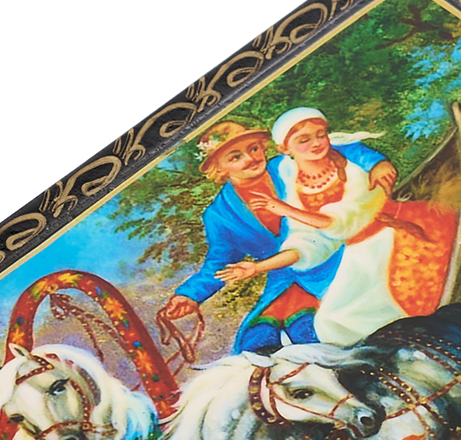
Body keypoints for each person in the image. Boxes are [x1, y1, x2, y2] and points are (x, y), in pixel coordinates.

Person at [213, 107, 457, 346]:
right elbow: (308, 242)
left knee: (393, 304)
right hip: (354, 251)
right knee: (330, 323)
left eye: (320, 135)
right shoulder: (290, 178)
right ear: (284, 149)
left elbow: (341, 222)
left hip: (389, 235)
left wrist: (286, 210)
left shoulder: (354, 170)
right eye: (304, 140)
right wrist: (257, 268)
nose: (316, 144)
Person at [154, 118, 395, 356]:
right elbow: (220, 262)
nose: (251, 158)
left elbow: (331, 147)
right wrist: (189, 295)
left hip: (334, 260)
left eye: (254, 149)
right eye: (236, 157)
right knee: (255, 342)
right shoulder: (220, 214)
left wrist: (376, 162)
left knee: (316, 333)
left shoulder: (288, 166)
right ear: (219, 169)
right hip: (283, 280)